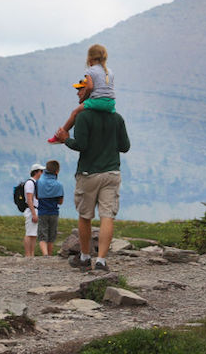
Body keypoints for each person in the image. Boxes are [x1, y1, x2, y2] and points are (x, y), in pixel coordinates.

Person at [55, 81, 130, 272]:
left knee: (85, 215)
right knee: (107, 216)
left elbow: (81, 145)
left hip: (89, 173)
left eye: (81, 91)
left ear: (90, 93)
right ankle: (102, 261)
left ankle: (85, 257)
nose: (78, 94)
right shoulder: (117, 118)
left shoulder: (83, 117)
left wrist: (65, 140)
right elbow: (125, 147)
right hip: (112, 173)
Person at [48, 44, 115, 144]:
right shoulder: (109, 71)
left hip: (97, 101)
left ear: (90, 59)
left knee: (75, 113)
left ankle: (60, 134)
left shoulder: (90, 71)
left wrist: (83, 99)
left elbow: (90, 87)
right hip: (111, 103)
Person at [37, 160, 65, 256]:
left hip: (42, 212)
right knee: (51, 236)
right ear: (57, 171)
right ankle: (49, 254)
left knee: (42, 235)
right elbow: (60, 202)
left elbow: (37, 196)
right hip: (54, 212)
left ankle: (45, 255)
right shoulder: (59, 185)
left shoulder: (39, 182)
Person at [22, 163, 44, 257]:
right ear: (36, 172)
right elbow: (29, 199)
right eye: (41, 171)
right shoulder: (30, 183)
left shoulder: (35, 183)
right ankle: (28, 254)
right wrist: (33, 213)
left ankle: (32, 253)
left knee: (33, 233)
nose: (42, 173)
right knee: (29, 233)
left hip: (36, 210)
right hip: (32, 210)